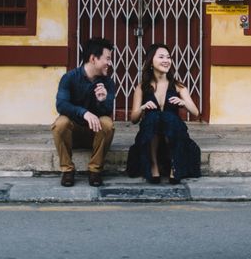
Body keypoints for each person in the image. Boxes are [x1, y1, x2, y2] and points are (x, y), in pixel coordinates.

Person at [126, 43, 201, 184]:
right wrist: (142, 108)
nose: (166, 60)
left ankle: (175, 166)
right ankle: (154, 165)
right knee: (153, 118)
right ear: (151, 62)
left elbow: (196, 112)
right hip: (150, 134)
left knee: (168, 118)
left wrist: (184, 103)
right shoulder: (142, 87)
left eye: (168, 57)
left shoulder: (178, 85)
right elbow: (134, 119)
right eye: (161, 57)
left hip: (173, 133)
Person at [53, 37, 115, 187]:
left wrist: (102, 101)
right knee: (60, 123)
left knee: (107, 123)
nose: (110, 63)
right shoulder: (69, 78)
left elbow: (107, 112)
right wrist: (83, 113)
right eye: (107, 58)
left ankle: (95, 170)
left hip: (94, 135)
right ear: (93, 59)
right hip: (72, 134)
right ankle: (67, 170)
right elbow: (61, 105)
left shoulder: (108, 82)